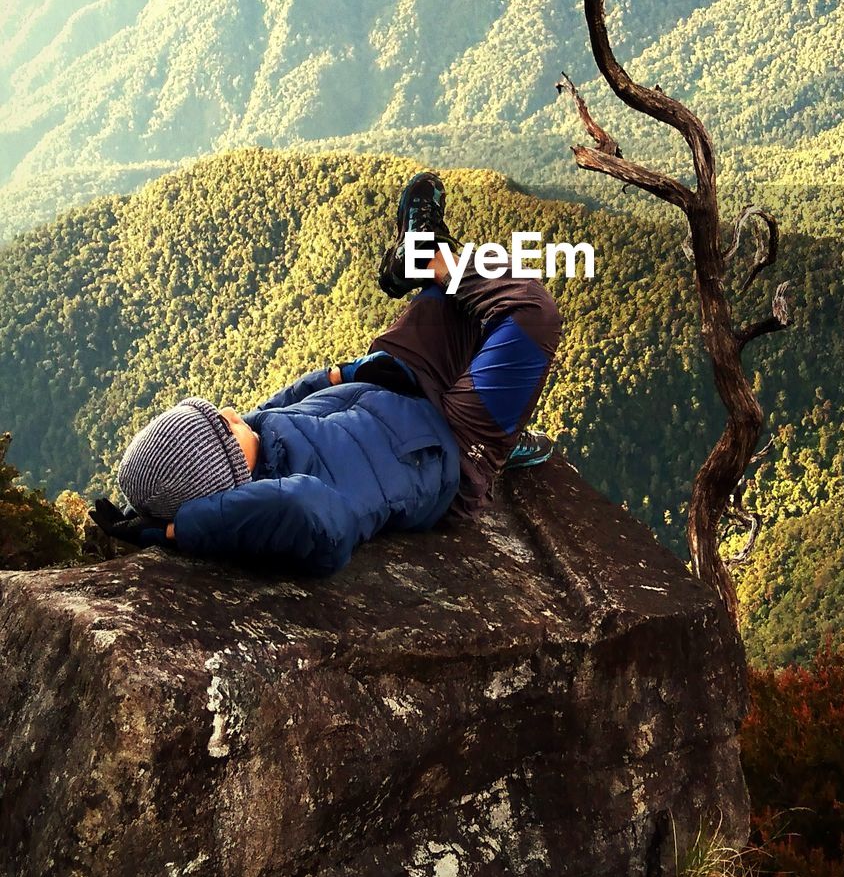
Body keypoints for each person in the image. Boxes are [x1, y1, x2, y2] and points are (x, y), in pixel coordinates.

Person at [90, 172, 563, 577]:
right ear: (228, 471)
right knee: (529, 313)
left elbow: (303, 391)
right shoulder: (293, 500)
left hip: (399, 384)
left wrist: (354, 371)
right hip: (451, 450)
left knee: (458, 306)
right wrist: (180, 527)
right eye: (223, 424)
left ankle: (429, 261)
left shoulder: (259, 432)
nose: (233, 411)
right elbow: (311, 514)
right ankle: (434, 260)